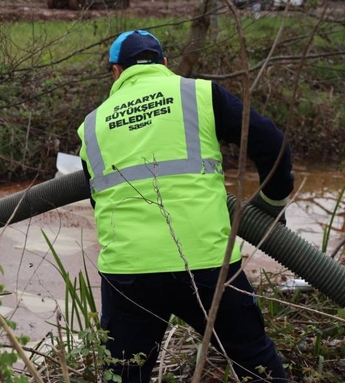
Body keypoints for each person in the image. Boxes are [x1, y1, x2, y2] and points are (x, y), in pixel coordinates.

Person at [76, 30, 293, 382]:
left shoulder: (91, 126)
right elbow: (274, 144)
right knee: (258, 368)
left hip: (129, 273)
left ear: (115, 71)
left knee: (126, 375)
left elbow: (96, 198)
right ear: (164, 63)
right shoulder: (200, 94)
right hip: (206, 264)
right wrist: (271, 205)